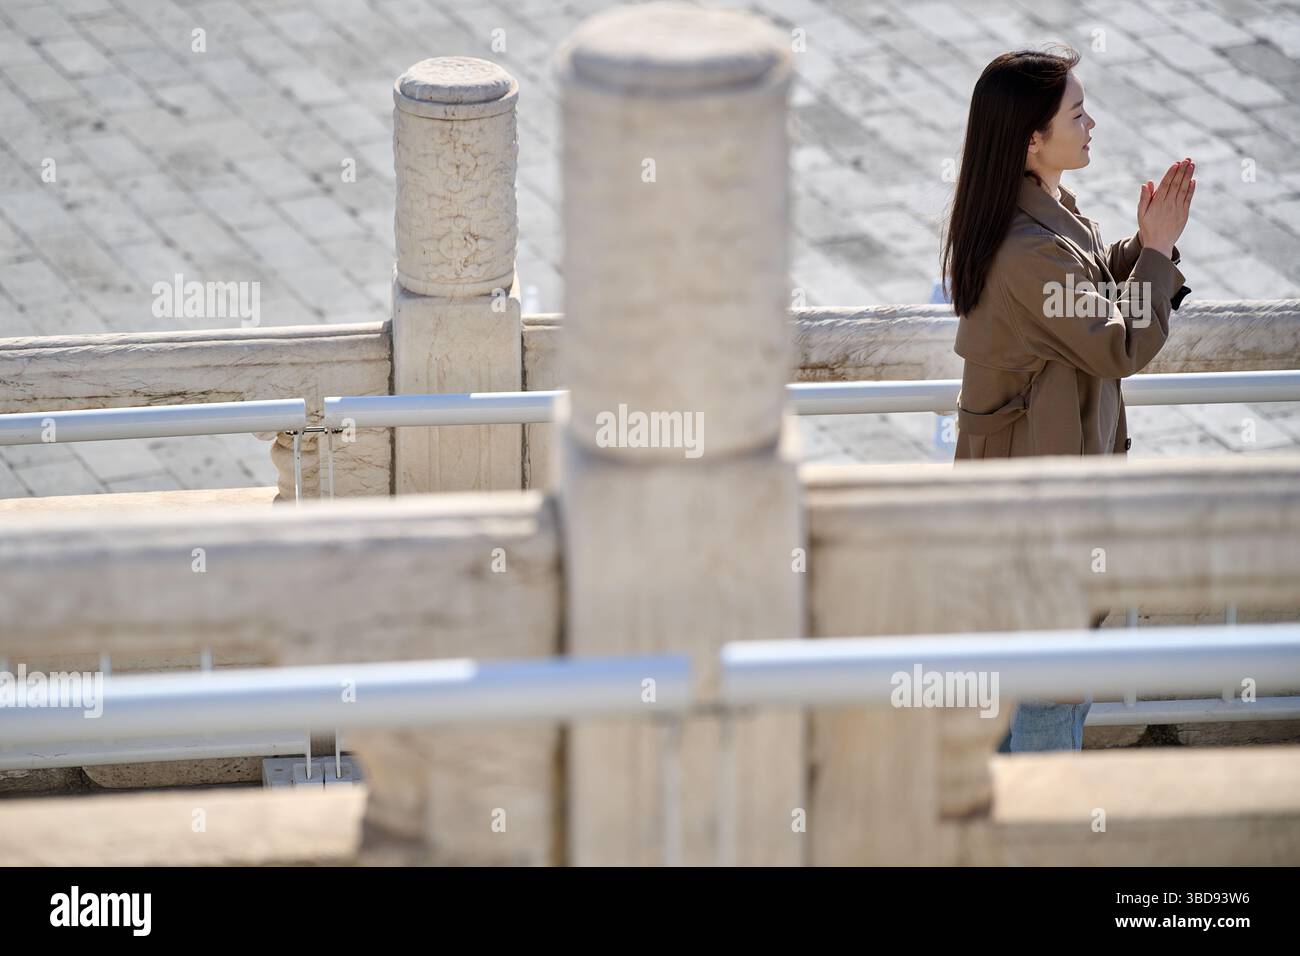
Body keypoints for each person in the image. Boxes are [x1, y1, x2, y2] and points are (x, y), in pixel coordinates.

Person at [939, 46, 1196, 751]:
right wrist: (1159, 252)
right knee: (1050, 709)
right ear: (1032, 138)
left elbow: (1079, 282)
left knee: (1016, 714)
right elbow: (1117, 345)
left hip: (1029, 511)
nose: (1092, 125)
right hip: (1036, 528)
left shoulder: (1038, 208)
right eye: (1077, 114)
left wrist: (1145, 246)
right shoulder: (1026, 248)